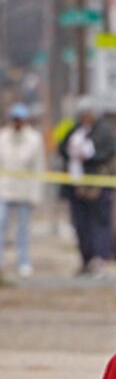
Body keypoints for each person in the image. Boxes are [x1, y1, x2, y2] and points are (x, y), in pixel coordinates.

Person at [59, 97, 116, 277]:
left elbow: (109, 152)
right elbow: (61, 148)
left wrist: (90, 156)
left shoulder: (104, 131)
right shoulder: (74, 130)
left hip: (98, 185)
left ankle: (100, 260)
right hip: (77, 185)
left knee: (100, 223)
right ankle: (86, 259)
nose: (86, 117)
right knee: (80, 224)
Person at [0, 103, 45, 280]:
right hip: (4, 189)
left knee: (23, 229)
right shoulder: (3, 137)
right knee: (1, 226)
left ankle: (23, 261)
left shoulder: (34, 139)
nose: (17, 122)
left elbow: (38, 169)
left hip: (25, 191)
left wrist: (36, 194)